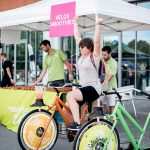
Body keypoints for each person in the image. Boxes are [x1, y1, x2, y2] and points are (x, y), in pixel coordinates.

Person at [66, 17, 103, 131]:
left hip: (93, 88)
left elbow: (96, 42)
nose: (80, 48)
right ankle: (72, 132)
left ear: (89, 48)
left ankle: (77, 124)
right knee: (66, 108)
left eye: (83, 47)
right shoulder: (82, 57)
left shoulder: (94, 56)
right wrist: (75, 23)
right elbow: (77, 37)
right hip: (85, 88)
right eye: (80, 47)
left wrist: (97, 25)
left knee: (70, 95)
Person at [101, 46, 118, 114]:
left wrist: (103, 84)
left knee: (111, 105)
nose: (103, 56)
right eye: (102, 54)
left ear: (109, 54)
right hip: (103, 87)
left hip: (111, 87)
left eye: (105, 55)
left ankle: (112, 123)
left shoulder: (113, 62)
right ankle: (104, 121)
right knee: (102, 104)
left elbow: (109, 76)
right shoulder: (102, 61)